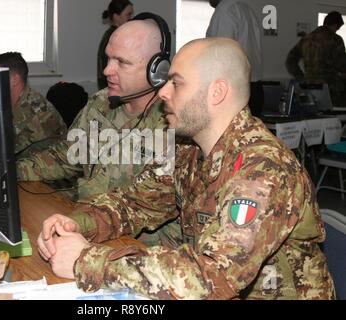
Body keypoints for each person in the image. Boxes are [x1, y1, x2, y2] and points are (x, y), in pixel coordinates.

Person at [37, 38, 335, 300]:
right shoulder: (188, 152)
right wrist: (77, 224)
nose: (163, 92)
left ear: (216, 92)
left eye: (176, 82)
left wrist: (89, 261)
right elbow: (135, 204)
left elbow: (215, 277)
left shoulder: (262, 168)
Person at [18, 14, 183, 248]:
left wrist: (77, 224)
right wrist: (13, 172)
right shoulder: (101, 103)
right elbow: (69, 155)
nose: (107, 70)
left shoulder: (174, 122)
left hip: (140, 249)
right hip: (84, 226)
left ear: (157, 69)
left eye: (122, 62)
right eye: (108, 59)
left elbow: (143, 204)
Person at [0, 52, 67, 158]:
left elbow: (0, 152)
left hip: (46, 170)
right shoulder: (9, 103)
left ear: (14, 79)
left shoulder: (35, 113)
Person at [206, 0, 264, 117]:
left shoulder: (225, 10)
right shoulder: (246, 8)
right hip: (254, 89)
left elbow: (220, 55)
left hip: (234, 92)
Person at [286, 11, 346, 107]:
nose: (337, 30)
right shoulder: (335, 39)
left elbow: (290, 60)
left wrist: (301, 78)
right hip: (331, 89)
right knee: (336, 118)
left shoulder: (306, 39)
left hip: (309, 88)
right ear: (335, 25)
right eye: (337, 28)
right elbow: (342, 64)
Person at [97, 0, 134, 90]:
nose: (131, 18)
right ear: (116, 16)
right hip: (112, 87)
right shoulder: (116, 37)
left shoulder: (111, 34)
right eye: (128, 15)